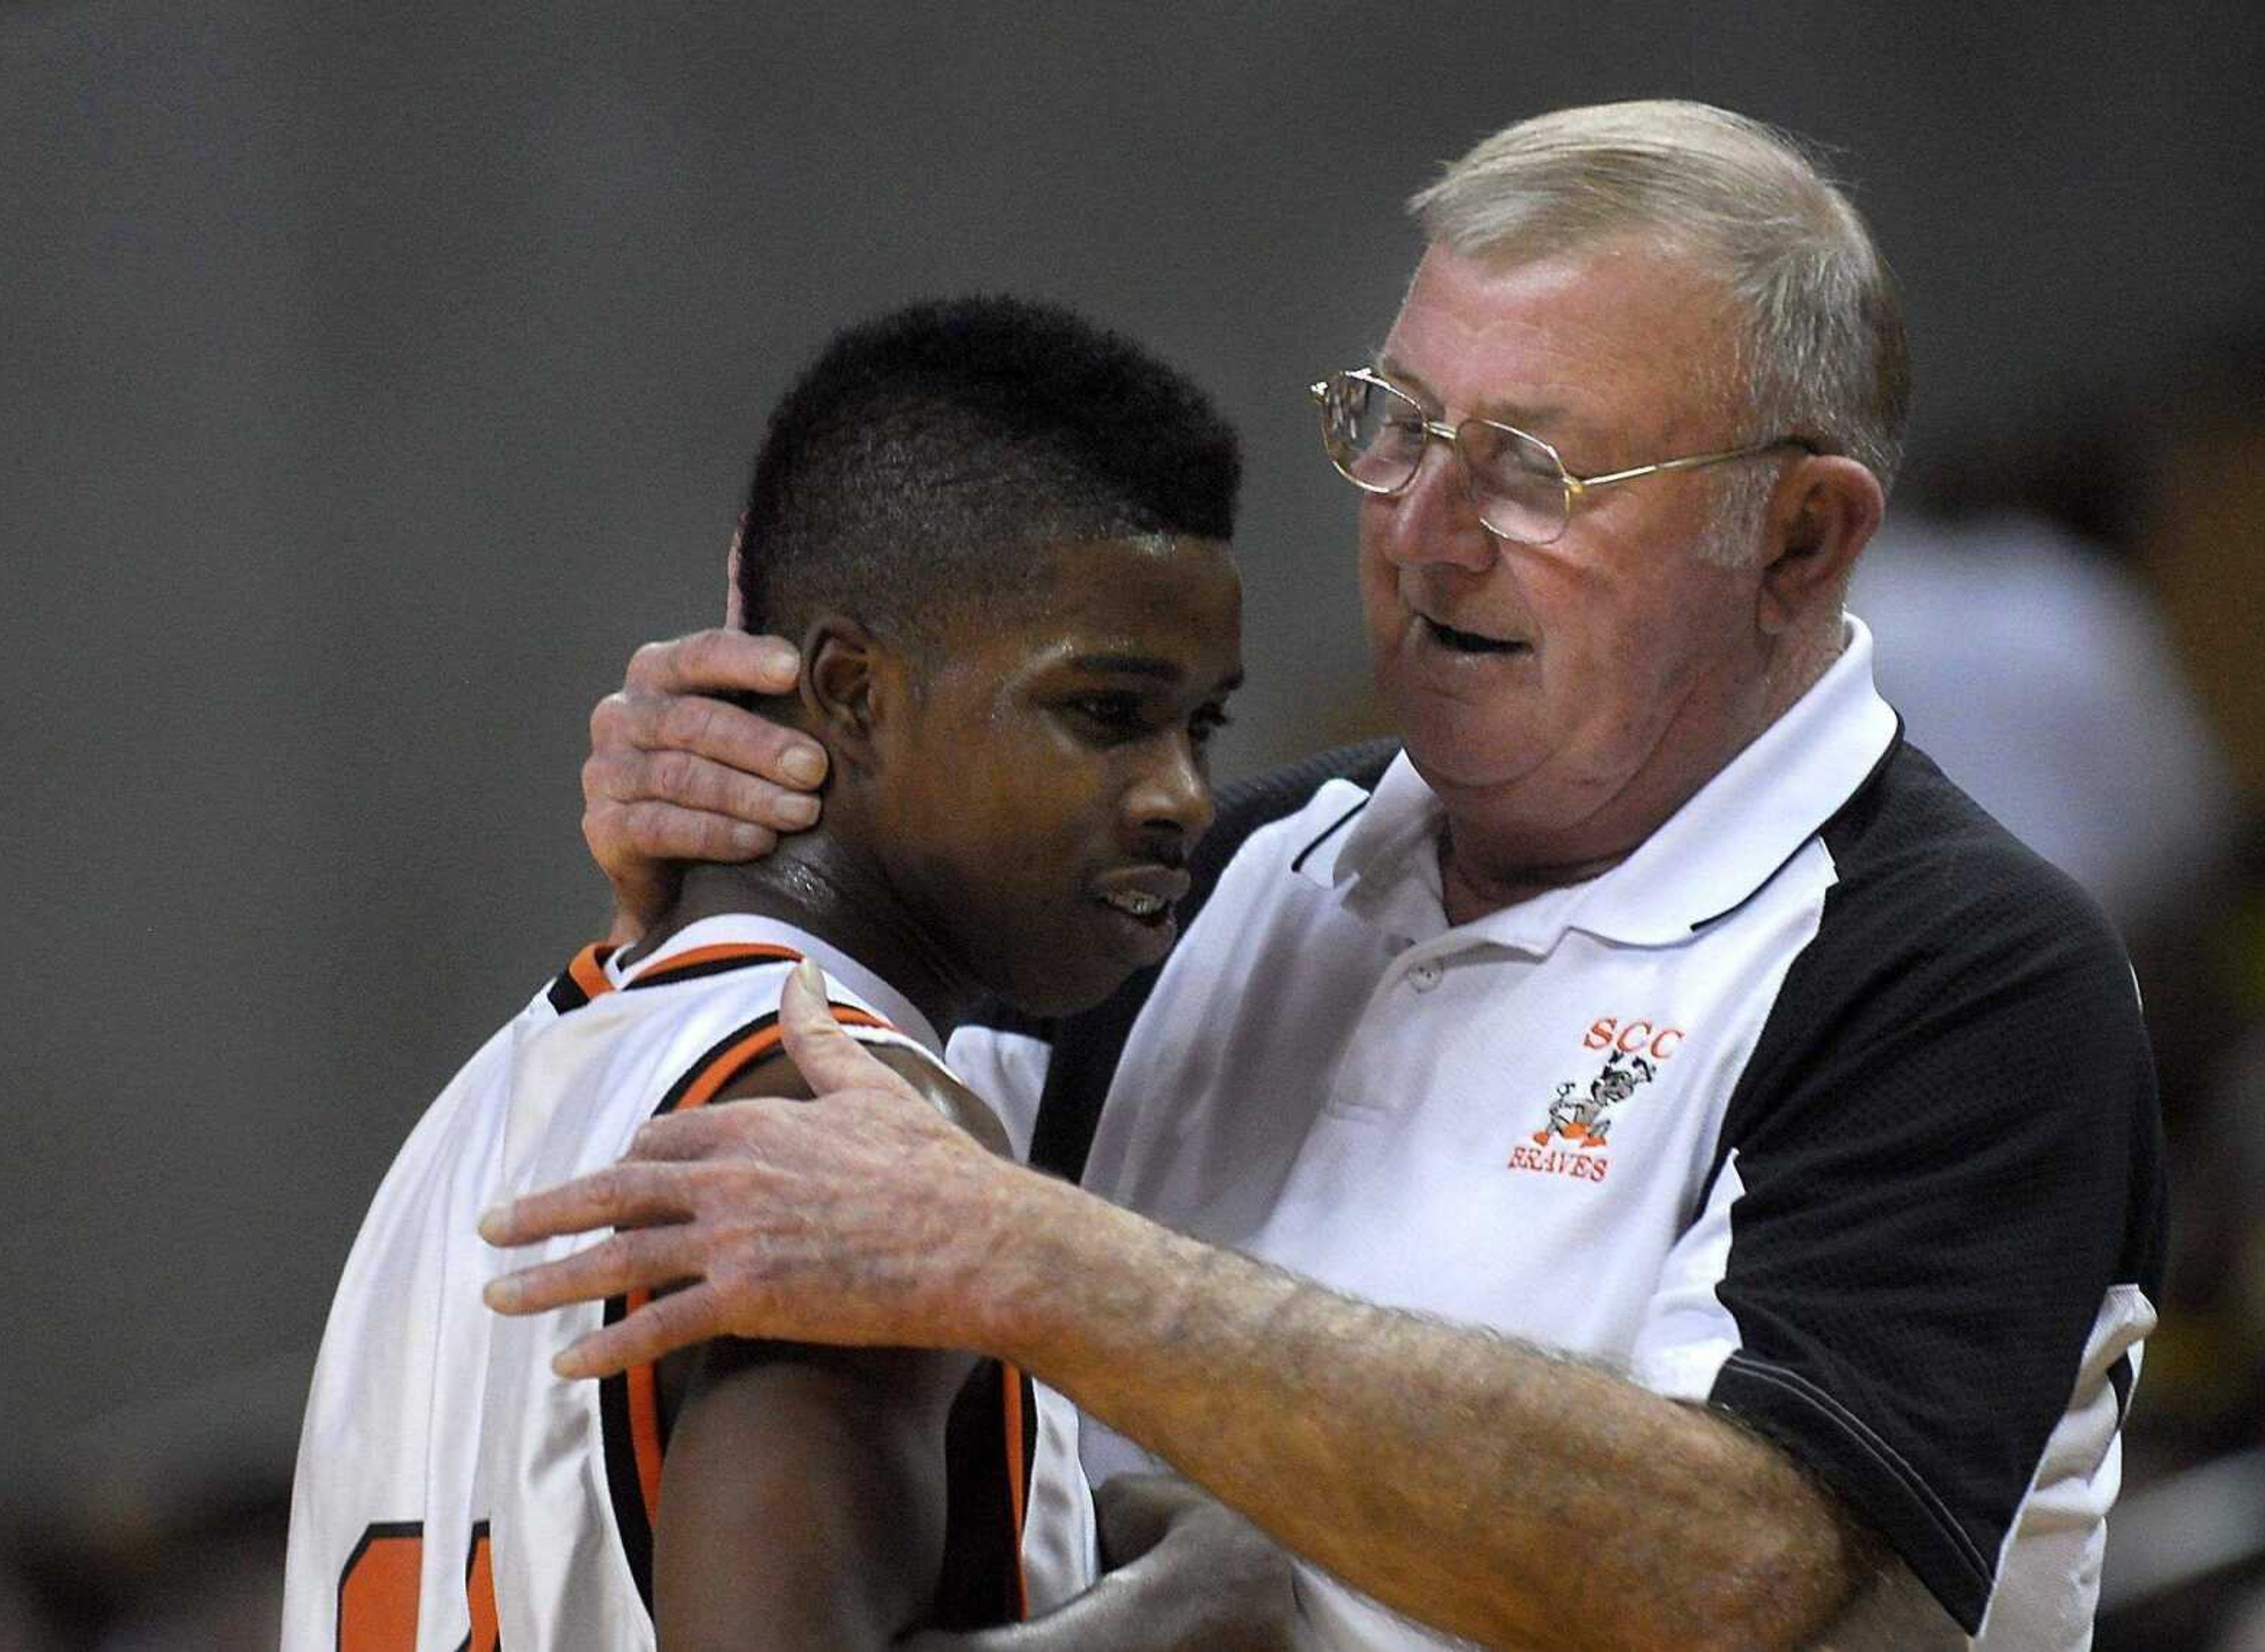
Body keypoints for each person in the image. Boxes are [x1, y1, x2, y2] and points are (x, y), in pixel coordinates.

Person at [485, 101, 2165, 1650]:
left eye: (1531, 467)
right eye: (1395, 425)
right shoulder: (1207, 870)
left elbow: (1753, 1577)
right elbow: (794, 1237)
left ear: (1799, 535)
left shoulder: (1972, 972)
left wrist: (1027, 1258)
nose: (1420, 528)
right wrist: (740, 878)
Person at [283, 296, 1301, 1650]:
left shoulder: (495, 1094)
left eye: (1204, 725)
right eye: (1105, 714)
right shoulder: (852, 1144)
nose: (1182, 795)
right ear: (853, 691)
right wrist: (1198, 1612)